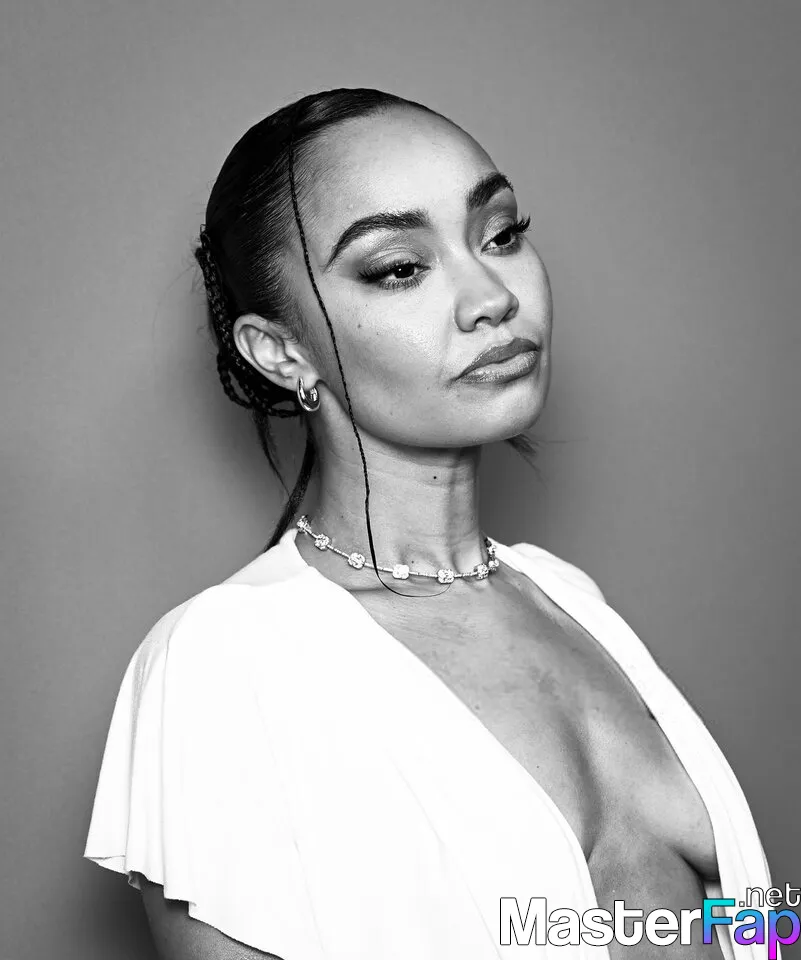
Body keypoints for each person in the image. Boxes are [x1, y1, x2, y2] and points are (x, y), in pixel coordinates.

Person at [83, 88, 776, 960]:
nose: (490, 296)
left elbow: (752, 929)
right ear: (281, 351)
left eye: (500, 234)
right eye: (399, 268)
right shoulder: (227, 661)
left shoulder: (570, 600)